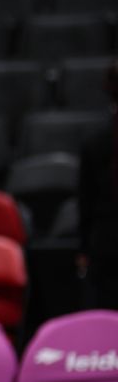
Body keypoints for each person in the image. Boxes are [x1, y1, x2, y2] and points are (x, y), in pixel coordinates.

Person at [79, 59, 118, 310]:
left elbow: (86, 202)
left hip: (106, 244)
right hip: (109, 248)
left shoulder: (95, 142)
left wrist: (83, 249)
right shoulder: (97, 144)